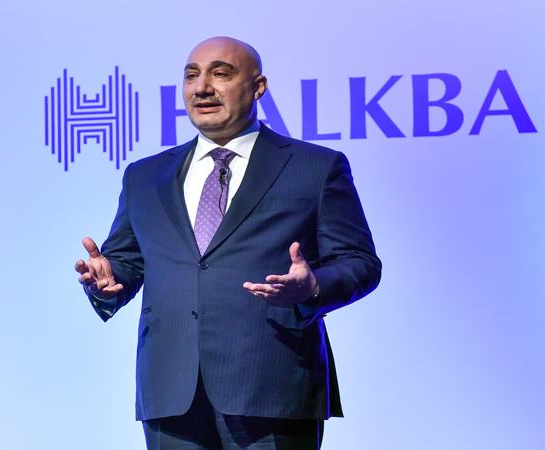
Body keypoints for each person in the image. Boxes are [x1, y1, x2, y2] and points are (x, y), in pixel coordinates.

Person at [74, 36, 381, 450]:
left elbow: (359, 262)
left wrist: (312, 288)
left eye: (221, 73)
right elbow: (127, 263)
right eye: (191, 76)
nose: (202, 87)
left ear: (258, 87)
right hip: (170, 391)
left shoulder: (316, 166)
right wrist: (107, 282)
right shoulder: (145, 175)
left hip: (273, 386)